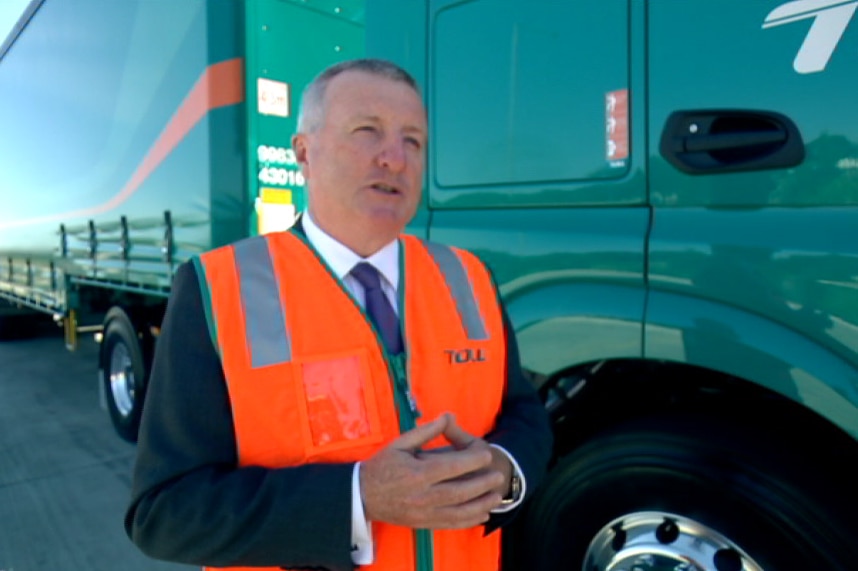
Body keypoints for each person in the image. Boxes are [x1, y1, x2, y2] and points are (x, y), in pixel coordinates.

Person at [125, 58, 552, 571]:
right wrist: (356, 499)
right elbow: (163, 513)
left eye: (412, 140)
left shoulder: (468, 276)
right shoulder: (216, 290)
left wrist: (506, 472)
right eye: (367, 131)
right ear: (304, 152)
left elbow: (524, 415)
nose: (394, 158)